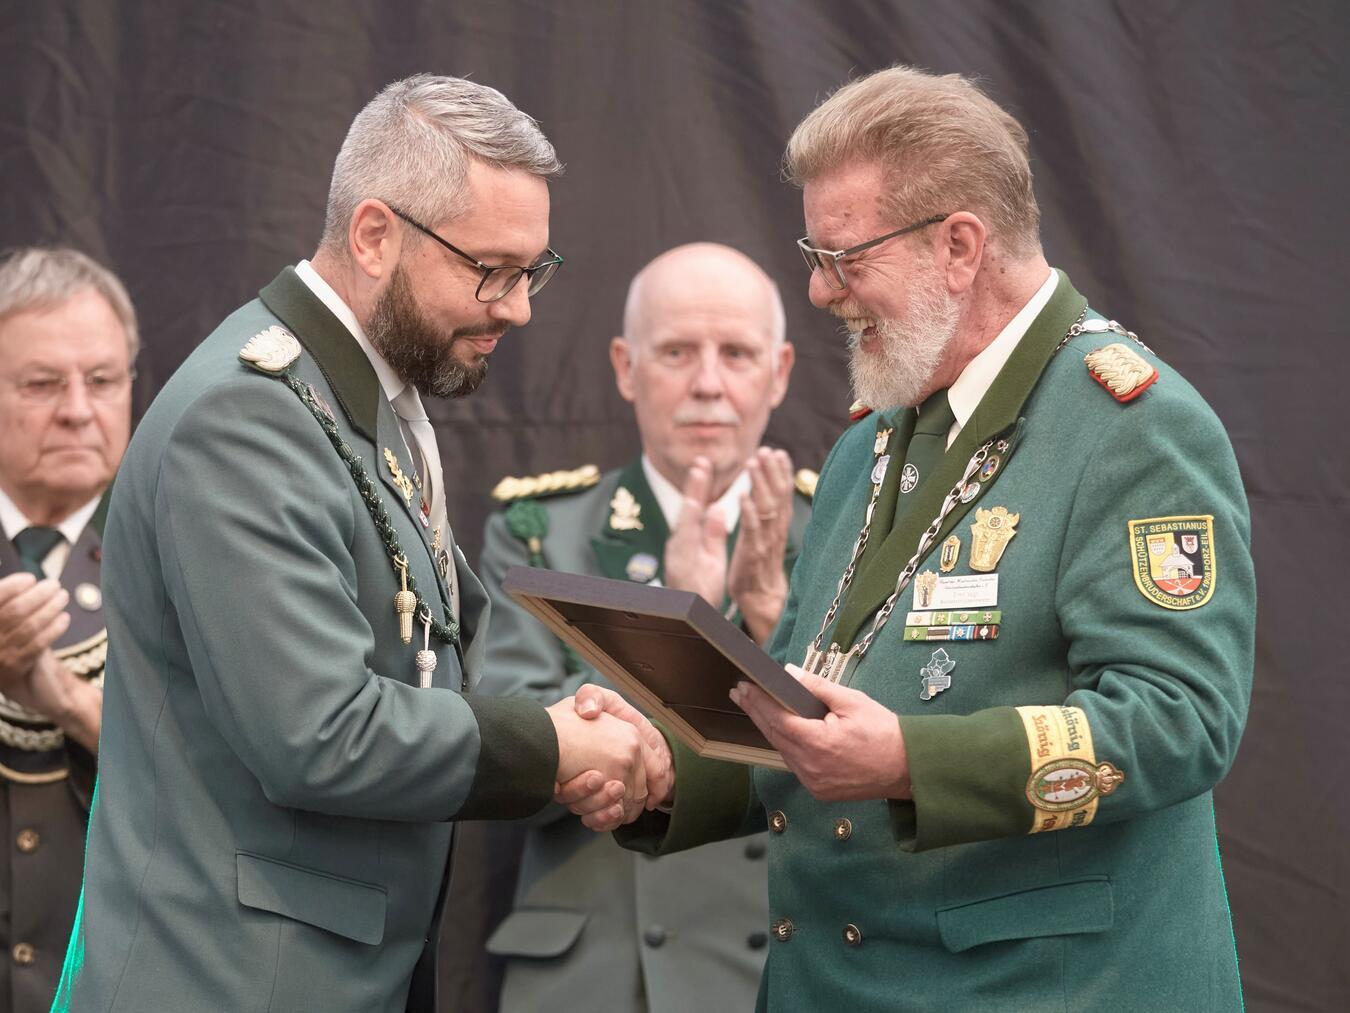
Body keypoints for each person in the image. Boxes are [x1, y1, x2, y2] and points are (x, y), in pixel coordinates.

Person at [576, 66, 1255, 1010]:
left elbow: (1182, 717)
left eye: (843, 257)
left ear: (961, 247)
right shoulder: (874, 442)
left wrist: (909, 762)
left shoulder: (1130, 426)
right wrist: (660, 768)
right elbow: (807, 708)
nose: (817, 291)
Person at [52, 74, 665, 1013]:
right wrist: (553, 744)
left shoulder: (360, 402)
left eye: (533, 273)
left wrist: (580, 727)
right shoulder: (248, 416)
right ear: (374, 234)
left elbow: (437, 671)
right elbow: (319, 733)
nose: (518, 309)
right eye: (491, 271)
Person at [478, 243, 810, 1012]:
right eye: (676, 352)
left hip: (786, 969)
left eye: (735, 352)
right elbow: (507, 763)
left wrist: (767, 615)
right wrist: (672, 625)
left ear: (781, 370)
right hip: (602, 978)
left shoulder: (838, 532)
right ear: (626, 367)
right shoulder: (541, 534)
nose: (707, 383)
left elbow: (882, 752)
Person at [0, 248, 133, 1013]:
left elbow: (236, 783)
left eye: (103, 380)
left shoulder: (187, 551)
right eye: (43, 383)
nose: (79, 409)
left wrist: (69, 702)